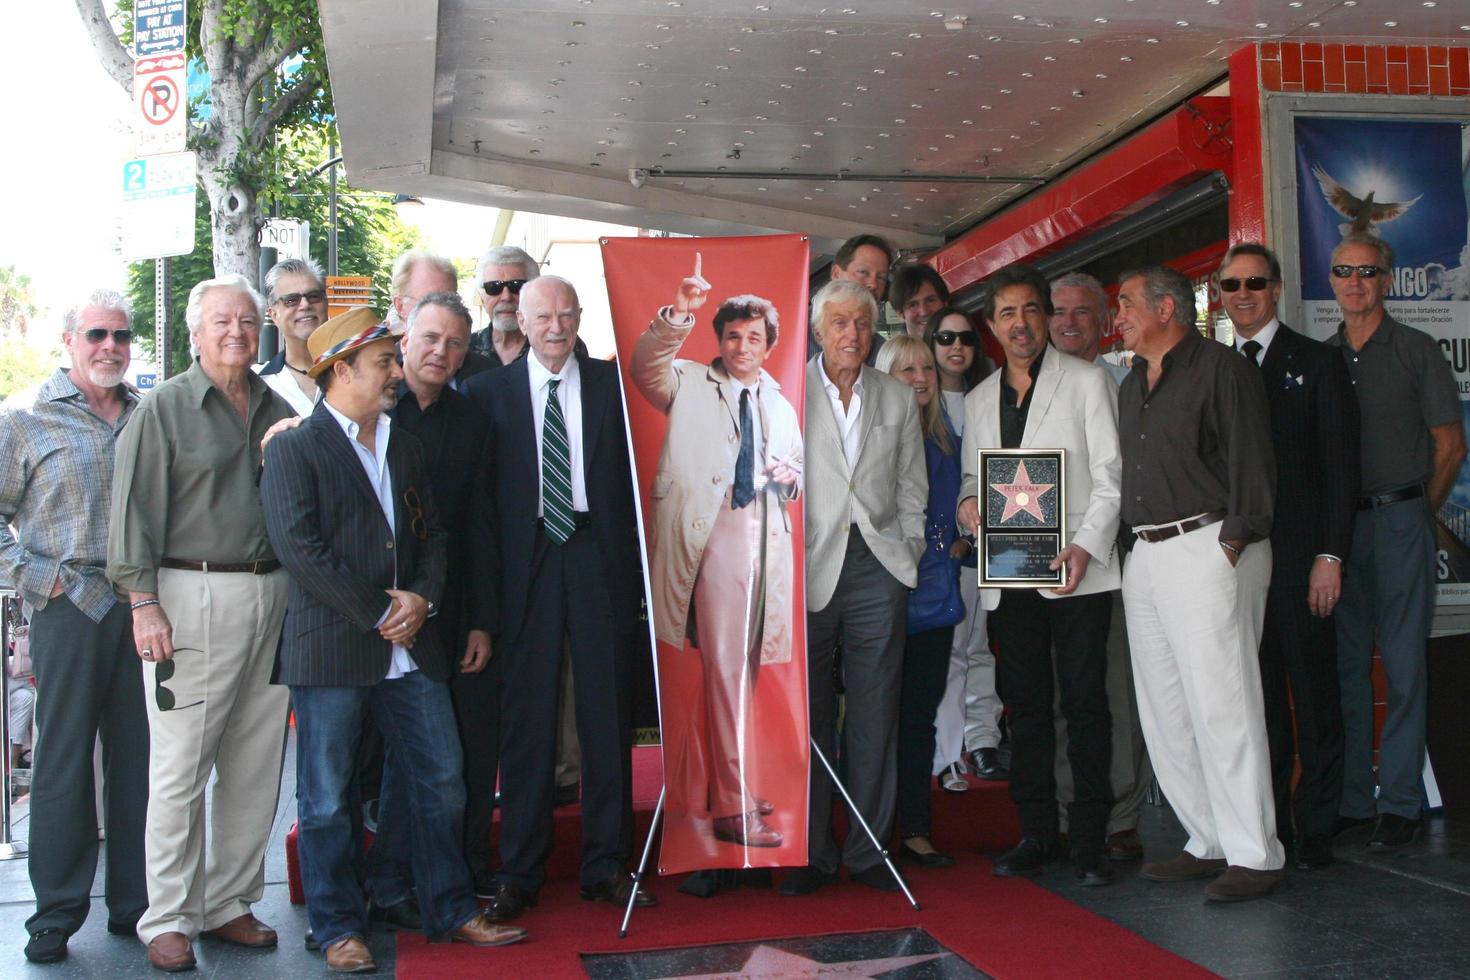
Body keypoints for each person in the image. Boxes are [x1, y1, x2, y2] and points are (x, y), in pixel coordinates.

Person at [260, 308, 525, 973]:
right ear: (340, 370)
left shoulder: (402, 442)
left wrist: (424, 599)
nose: (393, 372)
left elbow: (433, 534)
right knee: (325, 801)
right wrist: (383, 610)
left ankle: (451, 908)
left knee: (442, 781)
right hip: (335, 650)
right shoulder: (294, 447)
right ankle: (338, 926)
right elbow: (302, 551)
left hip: (412, 648)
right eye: (381, 362)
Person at [107, 274, 297, 969]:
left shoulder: (278, 404)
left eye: (247, 321)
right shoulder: (164, 408)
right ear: (194, 332)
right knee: (181, 764)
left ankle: (229, 902)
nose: (236, 333)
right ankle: (168, 915)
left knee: (254, 763)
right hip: (188, 594)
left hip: (269, 594)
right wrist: (142, 601)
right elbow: (130, 511)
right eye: (221, 321)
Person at [463, 276, 653, 921]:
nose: (554, 327)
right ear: (521, 317)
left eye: (565, 315)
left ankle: (608, 866)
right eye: (543, 315)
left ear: (578, 318)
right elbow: (480, 510)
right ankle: (520, 870)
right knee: (527, 723)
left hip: (598, 557)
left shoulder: (612, 387)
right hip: (526, 565)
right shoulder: (485, 393)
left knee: (606, 716)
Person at [1114, 265, 1284, 902]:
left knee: (1224, 704)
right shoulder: (1133, 381)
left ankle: (1255, 852)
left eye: (1127, 303)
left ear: (1166, 308)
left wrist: (1232, 544)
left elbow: (1253, 462)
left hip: (1210, 544)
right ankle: (1205, 838)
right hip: (1148, 554)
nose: (1119, 315)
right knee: (1166, 709)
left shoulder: (1221, 367)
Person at [955, 263, 1122, 886]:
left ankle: (1089, 838)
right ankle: (1036, 832)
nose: (1020, 324)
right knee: (1022, 706)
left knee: (1085, 704)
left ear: (1046, 317)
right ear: (992, 326)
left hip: (1077, 572)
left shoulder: (1086, 382)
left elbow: (1111, 475)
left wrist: (1084, 545)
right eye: (1007, 314)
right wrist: (968, 505)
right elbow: (974, 481)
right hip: (1010, 573)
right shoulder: (977, 400)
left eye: (1031, 310)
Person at [632, 256, 801, 849]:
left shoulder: (780, 402)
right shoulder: (686, 380)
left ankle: (731, 787)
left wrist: (788, 473)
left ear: (769, 344)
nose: (742, 346)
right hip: (714, 539)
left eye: (754, 337)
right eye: (732, 335)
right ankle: (731, 807)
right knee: (726, 674)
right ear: (719, 339)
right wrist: (680, 312)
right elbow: (643, 367)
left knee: (746, 674)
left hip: (767, 546)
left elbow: (795, 472)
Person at [1, 291, 149, 965]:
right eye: (97, 334)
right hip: (66, 606)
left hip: (144, 605)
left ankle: (136, 903)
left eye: (121, 334)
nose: (110, 346)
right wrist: (41, 579)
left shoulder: (146, 416)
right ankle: (55, 913)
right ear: (69, 341)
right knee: (62, 763)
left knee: (141, 759)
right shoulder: (26, 420)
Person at [781, 280, 927, 897]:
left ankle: (869, 852)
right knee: (805, 715)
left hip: (879, 565)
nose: (851, 335)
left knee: (875, 712)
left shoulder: (897, 396)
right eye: (838, 323)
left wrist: (910, 547)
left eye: (862, 325)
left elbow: (913, 483)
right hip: (806, 566)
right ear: (817, 331)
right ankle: (811, 854)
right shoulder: (786, 388)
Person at [1325, 232, 1464, 849]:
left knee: (1405, 667)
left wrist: (1415, 512)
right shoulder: (1322, 358)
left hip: (1400, 518)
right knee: (1347, 668)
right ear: (1331, 280)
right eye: (1343, 271)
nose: (1355, 282)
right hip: (1338, 532)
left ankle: (1401, 803)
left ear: (1387, 279)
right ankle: (1356, 800)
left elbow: (1449, 446)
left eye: (1367, 272)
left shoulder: (1417, 350)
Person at [1048, 271, 1152, 863]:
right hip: (1045, 568)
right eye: (1058, 311)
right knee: (1064, 692)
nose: (1067, 321)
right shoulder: (1027, 388)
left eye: (1081, 312)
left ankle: (1120, 816)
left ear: (1104, 318)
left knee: (1113, 692)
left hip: (1116, 561)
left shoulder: (1127, 385)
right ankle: (1069, 810)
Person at [876, 335, 963, 869]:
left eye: (926, 367)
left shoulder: (949, 438)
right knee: (871, 718)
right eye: (906, 369)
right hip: (882, 594)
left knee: (918, 718)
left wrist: (964, 539)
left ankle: (914, 827)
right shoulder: (869, 437)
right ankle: (868, 827)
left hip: (935, 597)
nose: (920, 377)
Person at [922, 308, 1004, 789]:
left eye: (966, 338)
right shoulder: (919, 400)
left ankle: (983, 741)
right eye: (945, 337)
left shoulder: (989, 398)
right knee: (950, 649)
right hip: (934, 550)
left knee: (978, 645)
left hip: (987, 544)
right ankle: (948, 751)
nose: (956, 346)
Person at [384, 249, 495, 386]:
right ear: (400, 306)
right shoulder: (379, 375)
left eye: (450, 300)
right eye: (429, 301)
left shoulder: (488, 377)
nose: (442, 311)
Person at [258, 257, 329, 415]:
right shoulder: (259, 383)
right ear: (274, 315)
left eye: (313, 296)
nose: (305, 305)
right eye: (291, 300)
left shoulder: (355, 370)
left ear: (326, 303)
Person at [809, 234, 895, 360]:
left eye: (881, 277)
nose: (873, 284)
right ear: (836, 274)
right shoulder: (790, 332)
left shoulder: (881, 351)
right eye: (863, 272)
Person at [471, 245, 540, 366]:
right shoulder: (464, 350)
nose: (506, 297)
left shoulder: (556, 343)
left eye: (517, 286)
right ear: (482, 297)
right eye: (493, 287)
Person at [888, 264, 951, 340]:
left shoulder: (963, 346)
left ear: (945, 303)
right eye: (913, 305)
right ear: (900, 315)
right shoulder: (895, 352)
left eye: (930, 300)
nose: (924, 312)